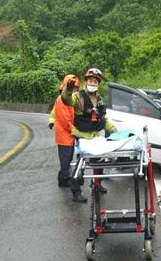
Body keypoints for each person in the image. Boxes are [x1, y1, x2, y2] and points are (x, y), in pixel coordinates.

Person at [61, 67, 117, 202]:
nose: (93, 84)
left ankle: (97, 184)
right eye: (90, 81)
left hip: (96, 135)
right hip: (82, 135)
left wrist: (115, 131)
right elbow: (66, 100)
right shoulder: (77, 96)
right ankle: (76, 192)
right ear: (86, 82)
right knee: (81, 164)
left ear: (98, 84)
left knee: (99, 161)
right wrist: (68, 91)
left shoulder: (99, 99)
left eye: (95, 82)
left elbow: (103, 119)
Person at [48, 74, 81, 187]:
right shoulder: (62, 100)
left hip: (69, 135)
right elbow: (65, 120)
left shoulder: (71, 99)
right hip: (65, 135)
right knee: (66, 159)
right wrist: (77, 132)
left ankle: (63, 179)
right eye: (73, 87)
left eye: (77, 88)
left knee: (67, 158)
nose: (75, 90)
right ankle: (64, 179)